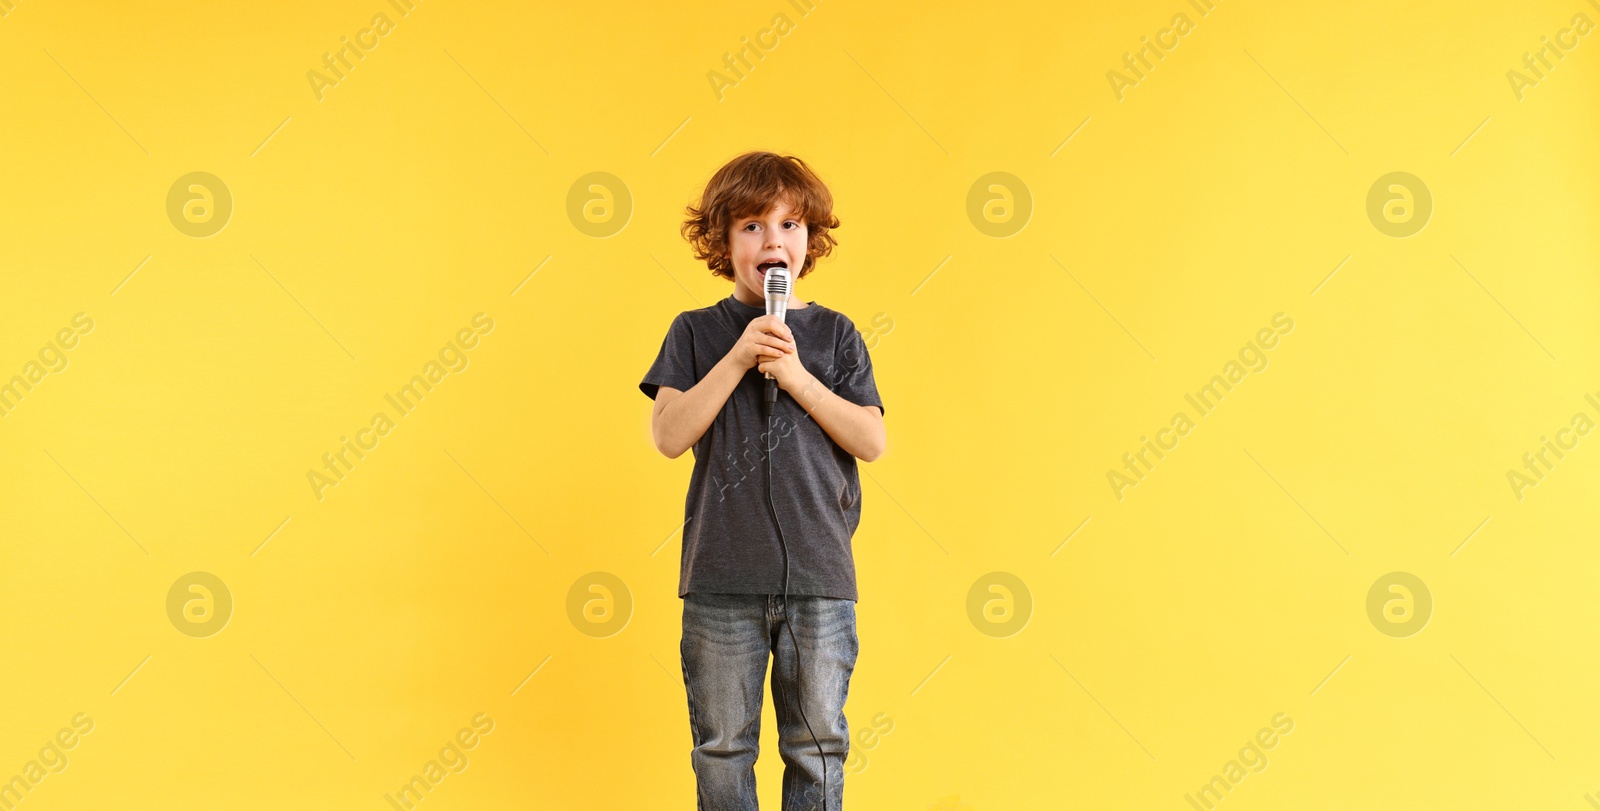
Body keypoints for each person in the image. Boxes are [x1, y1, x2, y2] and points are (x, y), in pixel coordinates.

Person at [639, 150, 887, 810]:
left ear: (811, 240)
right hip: (721, 577)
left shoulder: (835, 334)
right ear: (723, 241)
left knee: (818, 745)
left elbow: (871, 439)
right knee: (722, 745)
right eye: (751, 226)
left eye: (790, 225)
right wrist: (741, 354)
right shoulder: (695, 332)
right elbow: (668, 435)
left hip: (819, 577)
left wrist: (797, 375)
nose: (773, 240)